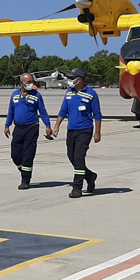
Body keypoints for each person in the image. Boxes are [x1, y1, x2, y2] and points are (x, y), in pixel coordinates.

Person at [52, 68, 102, 199]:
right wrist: (57, 126)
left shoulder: (91, 94)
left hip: (85, 130)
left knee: (79, 158)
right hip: (71, 130)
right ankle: (90, 176)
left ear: (79, 80)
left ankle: (77, 188)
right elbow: (63, 111)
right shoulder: (69, 93)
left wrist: (97, 132)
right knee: (71, 157)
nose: (69, 80)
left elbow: (97, 114)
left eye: (71, 78)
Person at [4, 73, 53, 189]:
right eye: (28, 82)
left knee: (28, 154)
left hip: (32, 127)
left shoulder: (36, 95)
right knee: (15, 155)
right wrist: (7, 125)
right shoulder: (14, 95)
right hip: (18, 128)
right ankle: (24, 170)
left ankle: (25, 180)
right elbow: (11, 111)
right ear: (21, 83)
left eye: (32, 82)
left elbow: (43, 111)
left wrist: (48, 125)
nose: (31, 84)